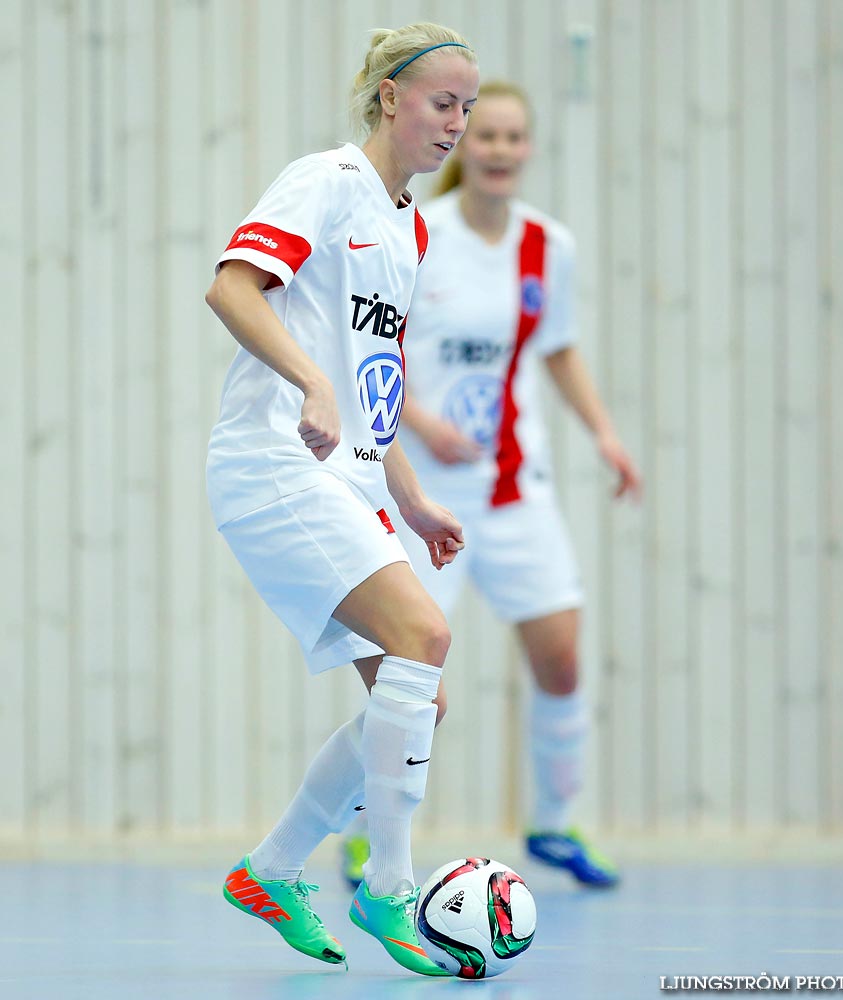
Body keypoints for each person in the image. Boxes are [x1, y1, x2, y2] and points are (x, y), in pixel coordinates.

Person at [204, 24, 479, 975]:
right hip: (274, 461)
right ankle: (390, 888)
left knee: (419, 703)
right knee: (425, 638)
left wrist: (415, 501)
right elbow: (232, 290)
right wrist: (308, 382)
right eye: (444, 102)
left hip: (349, 475)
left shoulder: (409, 225)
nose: (459, 123)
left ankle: (272, 870)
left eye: (469, 108)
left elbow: (375, 387)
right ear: (391, 97)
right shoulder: (324, 180)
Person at [339, 80, 641, 891]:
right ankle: (367, 835)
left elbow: (560, 348)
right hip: (426, 493)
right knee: (410, 675)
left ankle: (553, 822)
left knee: (563, 659)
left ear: (528, 148)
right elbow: (371, 347)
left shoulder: (550, 247)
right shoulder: (417, 234)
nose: (499, 149)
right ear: (461, 145)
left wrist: (605, 435)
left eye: (514, 137)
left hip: (516, 492)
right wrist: (419, 421)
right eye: (485, 135)